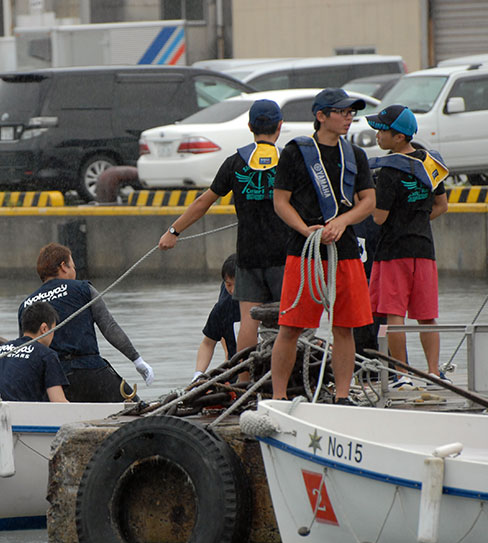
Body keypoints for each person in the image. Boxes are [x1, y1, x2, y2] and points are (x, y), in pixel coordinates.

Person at [159, 99, 290, 382]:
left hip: (248, 255)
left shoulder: (235, 162)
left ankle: (244, 381)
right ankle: (284, 382)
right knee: (288, 323)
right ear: (280, 127)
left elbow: (204, 202)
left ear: (249, 127)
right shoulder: (289, 161)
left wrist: (173, 232)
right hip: (284, 255)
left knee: (248, 322)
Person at [270, 88, 376, 405]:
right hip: (305, 251)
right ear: (321, 116)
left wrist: (343, 222)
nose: (349, 117)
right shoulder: (295, 152)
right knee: (291, 327)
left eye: (351, 112)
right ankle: (277, 397)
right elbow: (280, 202)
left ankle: (342, 396)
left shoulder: (354, 155)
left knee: (345, 327)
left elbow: (368, 201)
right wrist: (305, 228)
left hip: (345, 251)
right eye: (342, 112)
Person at [365, 104, 449, 386]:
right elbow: (441, 205)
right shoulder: (430, 163)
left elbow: (379, 217)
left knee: (394, 315)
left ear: (398, 137)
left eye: (382, 130)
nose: (377, 135)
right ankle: (434, 373)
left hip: (393, 252)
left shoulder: (388, 171)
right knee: (427, 316)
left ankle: (401, 375)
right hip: (424, 249)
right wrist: (417, 220)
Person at [19, 242, 154, 402]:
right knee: (138, 411)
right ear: (63, 266)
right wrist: (137, 360)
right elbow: (109, 327)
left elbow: (28, 349)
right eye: (73, 267)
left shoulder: (26, 305)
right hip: (91, 373)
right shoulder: (83, 289)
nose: (74, 272)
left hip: (55, 382)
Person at [0, 301, 69, 402]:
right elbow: (58, 401)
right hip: (25, 414)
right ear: (44, 328)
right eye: (53, 330)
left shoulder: (0, 349)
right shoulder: (47, 355)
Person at [193, 254, 241, 381]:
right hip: (235, 372)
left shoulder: (266, 301)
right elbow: (208, 343)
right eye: (229, 285)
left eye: (237, 284)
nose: (233, 290)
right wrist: (198, 374)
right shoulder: (223, 307)